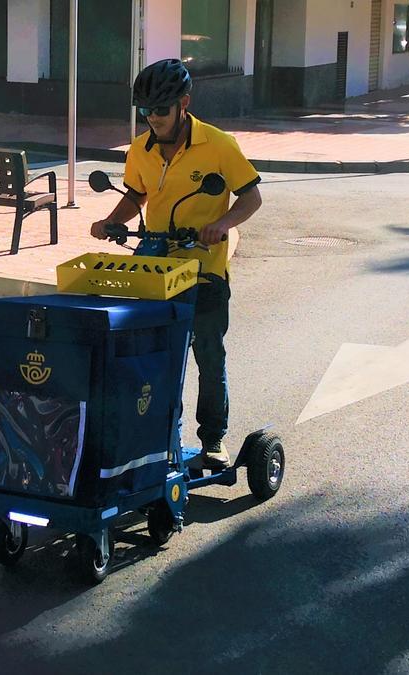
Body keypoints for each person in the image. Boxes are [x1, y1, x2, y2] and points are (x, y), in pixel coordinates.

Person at [90, 59, 263, 470]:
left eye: (160, 110)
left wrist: (220, 225)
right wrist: (113, 221)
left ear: (183, 103)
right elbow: (136, 197)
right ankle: (160, 438)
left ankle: (213, 440)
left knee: (208, 355)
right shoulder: (140, 149)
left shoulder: (219, 145)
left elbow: (251, 197)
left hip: (204, 272)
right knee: (151, 358)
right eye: (145, 111)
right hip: (155, 270)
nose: (152, 118)